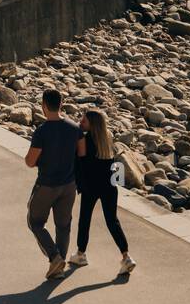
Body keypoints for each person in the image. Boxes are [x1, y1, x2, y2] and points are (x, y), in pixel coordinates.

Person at [24, 90, 83, 280]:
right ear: (61, 103)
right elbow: (82, 155)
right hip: (69, 185)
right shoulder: (75, 128)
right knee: (63, 225)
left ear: (43, 105)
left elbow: (30, 162)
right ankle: (59, 265)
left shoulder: (42, 131)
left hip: (47, 185)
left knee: (35, 222)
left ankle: (54, 257)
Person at [70, 110, 136, 276]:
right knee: (112, 221)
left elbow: (80, 162)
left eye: (83, 121)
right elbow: (113, 165)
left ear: (91, 124)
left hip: (91, 186)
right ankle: (126, 256)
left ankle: (81, 254)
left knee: (85, 219)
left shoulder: (84, 140)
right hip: (109, 186)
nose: (80, 122)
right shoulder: (107, 137)